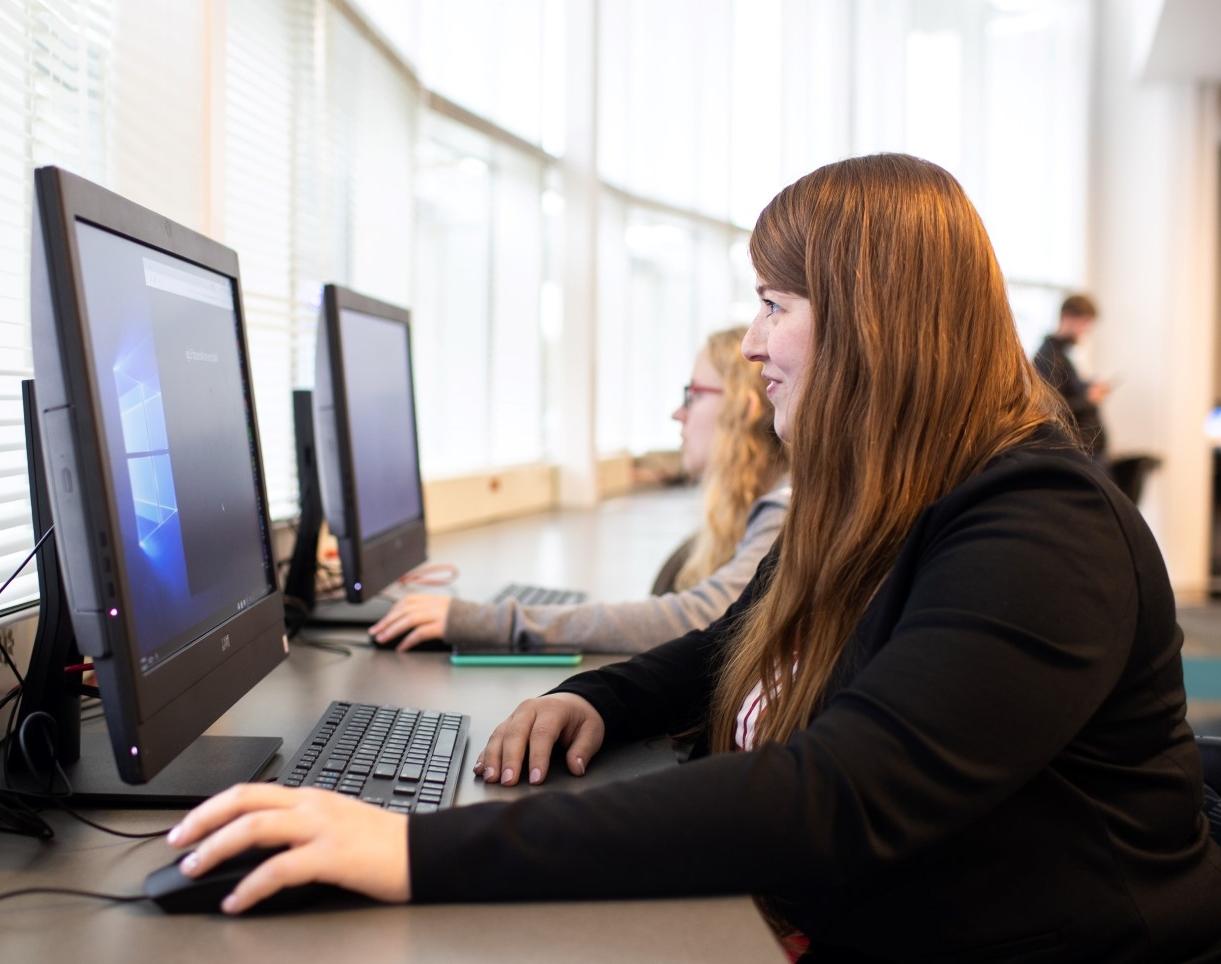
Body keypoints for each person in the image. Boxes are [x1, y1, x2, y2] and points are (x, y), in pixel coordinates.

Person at [168, 154, 1221, 962]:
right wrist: (605, 698)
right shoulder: (876, 494)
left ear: (873, 326)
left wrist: (405, 850)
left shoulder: (1039, 527)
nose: (752, 344)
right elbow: (732, 641)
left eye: (775, 305)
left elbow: (836, 797)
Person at [368, 326, 789, 654]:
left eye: (692, 394)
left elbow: (697, 617)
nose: (677, 412)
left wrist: (487, 621)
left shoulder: (782, 514)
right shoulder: (738, 519)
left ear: (742, 408)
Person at [1033, 293, 1111, 459]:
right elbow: (1052, 409)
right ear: (1067, 317)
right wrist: (1088, 399)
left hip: (1086, 452)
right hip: (1075, 453)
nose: (1085, 331)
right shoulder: (1048, 357)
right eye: (1083, 324)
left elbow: (1068, 391)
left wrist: (1087, 387)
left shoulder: (1061, 355)